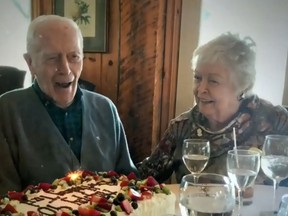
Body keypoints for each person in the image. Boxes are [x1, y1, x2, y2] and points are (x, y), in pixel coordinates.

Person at [0, 15, 137, 194]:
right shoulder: (6, 111)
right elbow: (5, 199)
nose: (65, 69)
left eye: (74, 57)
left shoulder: (106, 109)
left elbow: (128, 181)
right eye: (52, 58)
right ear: (31, 63)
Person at [137, 33, 288, 184]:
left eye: (213, 81)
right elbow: (143, 179)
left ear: (243, 86)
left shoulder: (275, 120)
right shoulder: (181, 127)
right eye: (197, 78)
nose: (201, 89)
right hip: (193, 207)